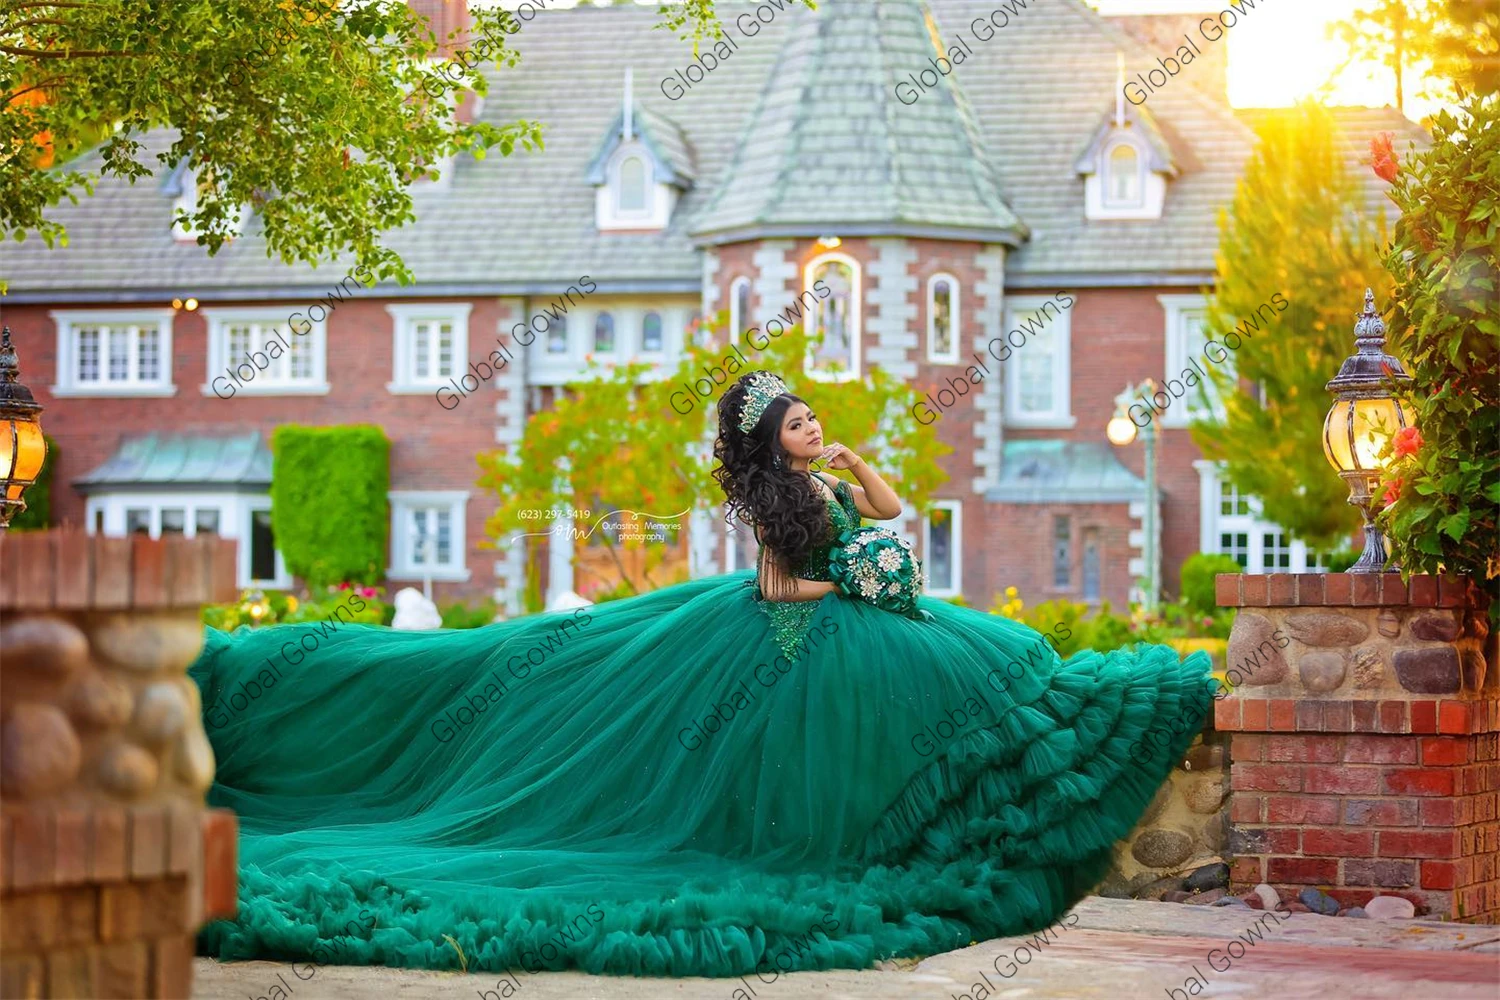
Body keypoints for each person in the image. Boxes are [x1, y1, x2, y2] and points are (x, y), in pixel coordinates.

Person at [190, 369, 1212, 980]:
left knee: (976, 674)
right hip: (794, 638)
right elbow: (776, 588)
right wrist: (846, 587)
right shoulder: (778, 504)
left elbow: (897, 515)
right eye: (802, 425)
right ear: (773, 441)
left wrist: (856, 472)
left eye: (813, 419)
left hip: (851, 621)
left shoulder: (825, 477)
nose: (813, 429)